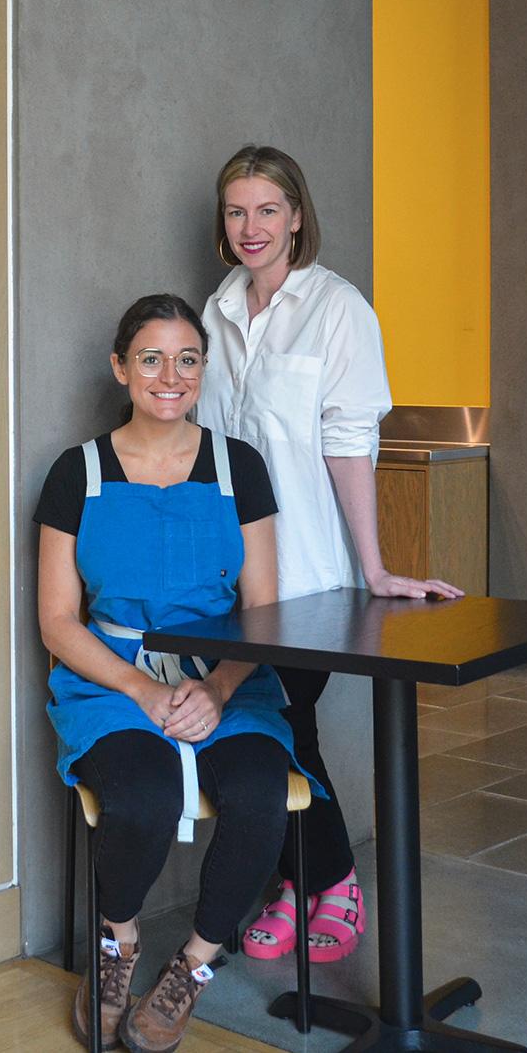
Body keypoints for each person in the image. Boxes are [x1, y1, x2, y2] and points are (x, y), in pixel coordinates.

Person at [198, 145, 464, 965]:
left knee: (286, 722)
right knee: (251, 727)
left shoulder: (339, 308)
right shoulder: (215, 311)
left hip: (305, 567)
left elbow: (351, 443)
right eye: (238, 211)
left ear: (298, 216)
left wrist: (375, 568)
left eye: (267, 210)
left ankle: (333, 877)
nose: (252, 228)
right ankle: (297, 879)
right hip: (223, 568)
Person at [36, 294, 320, 1053]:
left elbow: (263, 605)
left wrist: (219, 686)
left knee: (263, 793)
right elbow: (58, 621)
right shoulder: (78, 472)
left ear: (203, 369)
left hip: (226, 674)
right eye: (152, 358)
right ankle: (118, 944)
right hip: (110, 678)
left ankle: (192, 965)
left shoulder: (240, 467)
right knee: (144, 793)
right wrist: (144, 690)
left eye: (187, 358)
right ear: (120, 368)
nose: (171, 375)